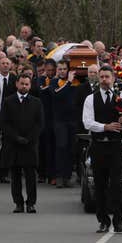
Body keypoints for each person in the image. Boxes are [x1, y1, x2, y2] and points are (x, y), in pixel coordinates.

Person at [82, 66, 122, 233]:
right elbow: (87, 122)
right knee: (100, 185)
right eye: (101, 77)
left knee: (117, 184)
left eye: (107, 77)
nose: (104, 80)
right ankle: (103, 221)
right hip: (98, 146)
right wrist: (105, 127)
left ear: (113, 78)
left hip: (116, 147)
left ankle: (118, 221)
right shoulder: (90, 99)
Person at [1, 73, 43, 213]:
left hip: (30, 145)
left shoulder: (36, 102)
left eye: (27, 84)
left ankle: (31, 203)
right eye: (22, 83)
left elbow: (39, 123)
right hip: (13, 144)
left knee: (31, 175)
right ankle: (18, 203)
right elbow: (5, 123)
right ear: (17, 84)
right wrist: (16, 137)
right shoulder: (8, 101)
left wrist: (30, 138)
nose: (24, 86)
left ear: (30, 86)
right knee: (16, 175)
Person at [49, 60, 80, 188]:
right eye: (59, 69)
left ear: (68, 70)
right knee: (61, 146)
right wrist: (68, 82)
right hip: (59, 120)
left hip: (72, 120)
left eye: (64, 69)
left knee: (71, 148)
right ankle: (59, 176)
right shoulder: (54, 82)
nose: (62, 71)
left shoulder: (76, 83)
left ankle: (68, 176)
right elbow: (57, 95)